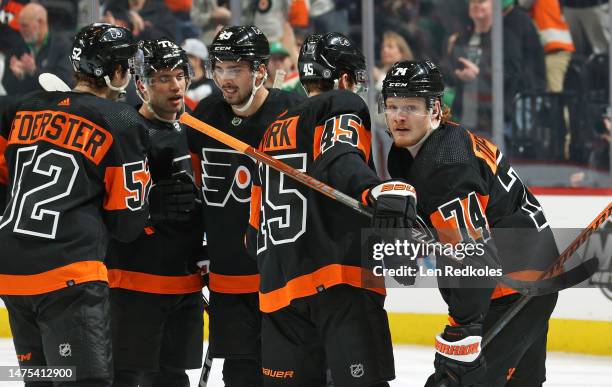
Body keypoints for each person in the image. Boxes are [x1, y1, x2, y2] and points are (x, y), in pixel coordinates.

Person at [245, 32, 412, 387]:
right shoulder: (341, 102)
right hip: (337, 280)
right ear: (345, 77)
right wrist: (374, 189)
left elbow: (252, 234)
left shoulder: (272, 131)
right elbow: (339, 158)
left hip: (278, 290)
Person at [381, 60, 559, 386]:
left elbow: (474, 254)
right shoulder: (426, 148)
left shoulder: (445, 165)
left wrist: (464, 326)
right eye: (392, 106)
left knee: (457, 380)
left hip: (513, 287)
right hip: (532, 274)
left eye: (410, 106)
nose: (399, 116)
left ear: (435, 110)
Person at [0, 23, 151, 386]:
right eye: (127, 68)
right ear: (115, 72)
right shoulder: (121, 119)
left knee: (44, 380)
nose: (130, 75)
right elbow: (126, 224)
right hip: (69, 275)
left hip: (11, 270)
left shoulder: (22, 108)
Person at [185, 25, 306, 387]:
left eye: (234, 69)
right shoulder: (204, 115)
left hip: (282, 276)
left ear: (259, 70)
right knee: (240, 375)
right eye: (218, 68)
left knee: (289, 374)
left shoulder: (292, 113)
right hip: (229, 274)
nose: (224, 79)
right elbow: (195, 185)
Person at [105, 38, 205, 387]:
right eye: (163, 77)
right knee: (128, 376)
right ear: (140, 84)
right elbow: (101, 207)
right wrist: (147, 208)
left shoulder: (196, 130)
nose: (175, 85)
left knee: (174, 378)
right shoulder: (124, 129)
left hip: (184, 282)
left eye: (180, 75)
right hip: (135, 282)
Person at [5, 2, 73, 95]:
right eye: (19, 25)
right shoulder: (17, 46)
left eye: (25, 25)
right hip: (25, 104)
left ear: (40, 22)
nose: (20, 30)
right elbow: (7, 86)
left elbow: (65, 83)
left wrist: (34, 71)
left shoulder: (63, 46)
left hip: (52, 105)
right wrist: (18, 76)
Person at [181, 37, 219, 107]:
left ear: (197, 60)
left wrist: (209, 89)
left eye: (186, 57)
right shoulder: (179, 81)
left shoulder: (213, 81)